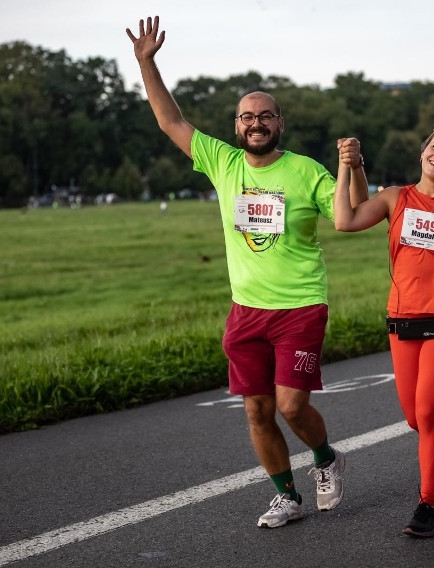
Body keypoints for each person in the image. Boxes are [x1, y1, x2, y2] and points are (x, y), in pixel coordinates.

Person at [126, 16, 369, 528]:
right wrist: (147, 62)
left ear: (279, 122)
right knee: (257, 411)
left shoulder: (306, 170)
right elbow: (171, 121)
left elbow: (348, 215)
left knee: (291, 406)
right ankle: (288, 496)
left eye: (265, 116)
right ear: (237, 125)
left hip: (301, 306)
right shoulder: (223, 162)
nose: (255, 123)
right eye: (246, 117)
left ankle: (326, 459)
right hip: (246, 311)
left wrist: (354, 166)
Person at [333, 120, 434, 537]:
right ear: (422, 150)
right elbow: (346, 220)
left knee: (428, 413)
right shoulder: (394, 198)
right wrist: (347, 166)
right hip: (403, 319)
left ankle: (428, 505)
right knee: (414, 418)